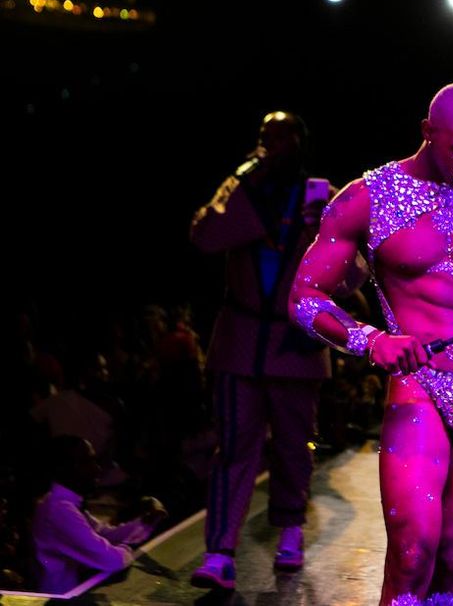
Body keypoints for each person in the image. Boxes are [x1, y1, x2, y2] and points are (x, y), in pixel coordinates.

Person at [289, 83, 453, 606]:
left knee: (451, 558)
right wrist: (369, 340)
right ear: (427, 132)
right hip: (419, 386)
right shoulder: (369, 196)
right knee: (412, 554)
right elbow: (303, 295)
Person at [189, 112, 338, 589]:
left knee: (294, 445)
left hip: (295, 345)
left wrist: (322, 239)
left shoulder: (321, 196)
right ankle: (219, 553)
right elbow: (204, 236)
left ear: (299, 142)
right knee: (233, 448)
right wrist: (241, 178)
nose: (269, 145)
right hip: (241, 344)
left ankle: (291, 530)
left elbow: (353, 270)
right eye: (263, 137)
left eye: (279, 137)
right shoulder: (243, 189)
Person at [32, 436, 166, 594]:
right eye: (87, 462)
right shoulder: (60, 509)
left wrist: (145, 521)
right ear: (66, 468)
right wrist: (129, 547)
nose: (97, 469)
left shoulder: (63, 502)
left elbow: (104, 534)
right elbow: (111, 561)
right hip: (63, 598)